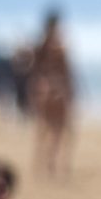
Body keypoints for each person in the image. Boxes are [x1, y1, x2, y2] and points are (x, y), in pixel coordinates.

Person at [29, 9, 75, 178]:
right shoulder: (58, 46)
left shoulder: (39, 45)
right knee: (60, 130)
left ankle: (41, 162)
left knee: (44, 129)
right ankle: (52, 163)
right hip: (57, 90)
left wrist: (34, 92)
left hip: (44, 88)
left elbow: (33, 71)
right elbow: (67, 72)